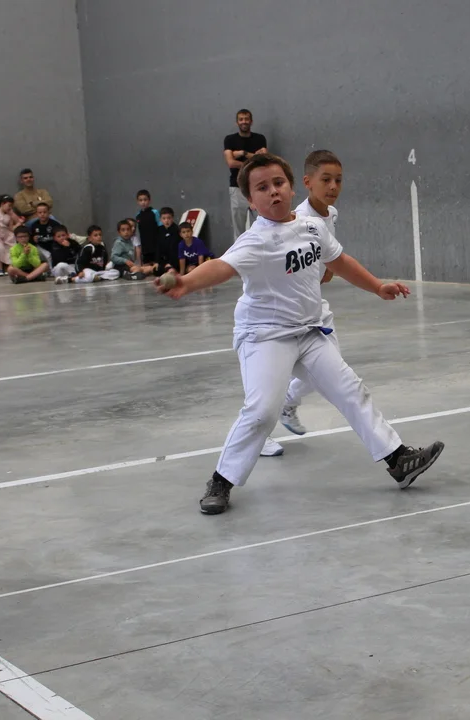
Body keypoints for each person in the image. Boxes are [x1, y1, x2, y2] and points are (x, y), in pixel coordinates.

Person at [156, 153, 444, 515]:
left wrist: (377, 286)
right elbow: (221, 267)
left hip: (308, 333)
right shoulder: (255, 240)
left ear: (292, 188)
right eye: (262, 188)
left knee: (351, 390)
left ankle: (398, 460)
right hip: (265, 336)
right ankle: (221, 480)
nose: (273, 192)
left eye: (278, 183)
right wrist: (185, 282)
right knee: (262, 411)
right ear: (251, 201)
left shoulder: (312, 227)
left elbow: (339, 261)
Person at [277, 150, 344, 438]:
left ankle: (287, 403)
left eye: (338, 180)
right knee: (272, 378)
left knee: (331, 367)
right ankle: (264, 425)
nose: (333, 187)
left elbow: (326, 252)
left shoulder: (331, 214)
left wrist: (327, 268)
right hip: (287, 311)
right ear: (307, 182)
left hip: (315, 306)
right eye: (326, 180)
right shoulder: (298, 220)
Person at [223, 108, 268, 238]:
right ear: (237, 122)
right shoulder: (230, 140)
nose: (244, 122)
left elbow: (263, 160)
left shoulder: (260, 139)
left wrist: (243, 153)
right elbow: (231, 163)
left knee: (261, 225)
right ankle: (240, 251)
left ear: (251, 121)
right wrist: (254, 158)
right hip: (237, 188)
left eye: (246, 119)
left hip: (257, 188)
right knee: (239, 230)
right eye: (241, 119)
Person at [134, 190, 160, 268]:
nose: (143, 202)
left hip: (156, 245)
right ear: (137, 202)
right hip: (145, 247)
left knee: (156, 266)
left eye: (145, 200)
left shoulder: (154, 212)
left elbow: (160, 226)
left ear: (149, 200)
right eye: (140, 200)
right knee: (146, 266)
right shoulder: (138, 215)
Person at [152, 207, 180, 276]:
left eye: (169, 218)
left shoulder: (176, 230)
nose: (166, 220)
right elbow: (158, 247)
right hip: (164, 260)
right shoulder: (160, 230)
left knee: (169, 270)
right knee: (156, 270)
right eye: (164, 218)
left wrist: (170, 263)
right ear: (160, 219)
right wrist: (157, 262)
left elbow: (175, 249)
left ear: (172, 218)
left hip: (174, 260)